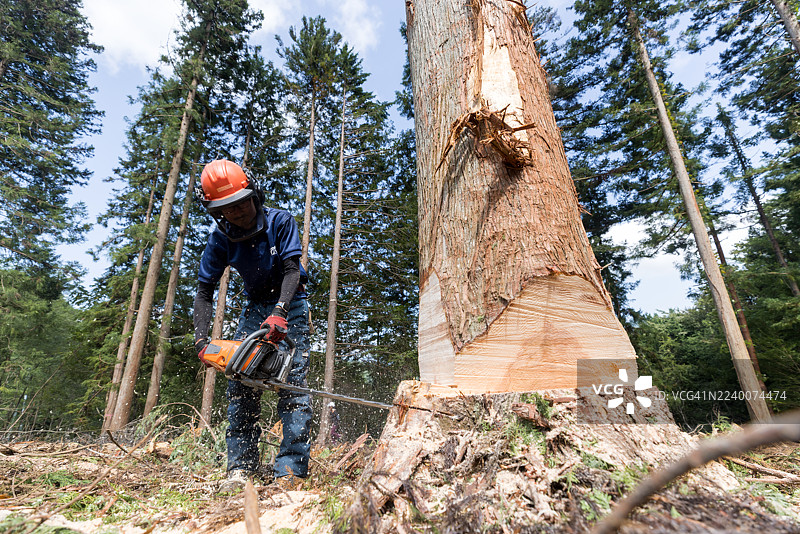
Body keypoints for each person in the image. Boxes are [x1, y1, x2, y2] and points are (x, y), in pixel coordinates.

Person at [193, 159, 312, 492]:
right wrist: (201, 341)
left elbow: (291, 270)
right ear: (218, 211)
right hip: (254, 308)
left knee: (292, 381)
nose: (239, 211)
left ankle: (290, 470)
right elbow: (204, 291)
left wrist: (280, 312)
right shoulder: (221, 240)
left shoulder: (280, 221)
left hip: (291, 302)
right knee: (241, 380)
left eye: (242, 202)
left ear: (254, 194)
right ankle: (241, 466)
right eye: (229, 208)